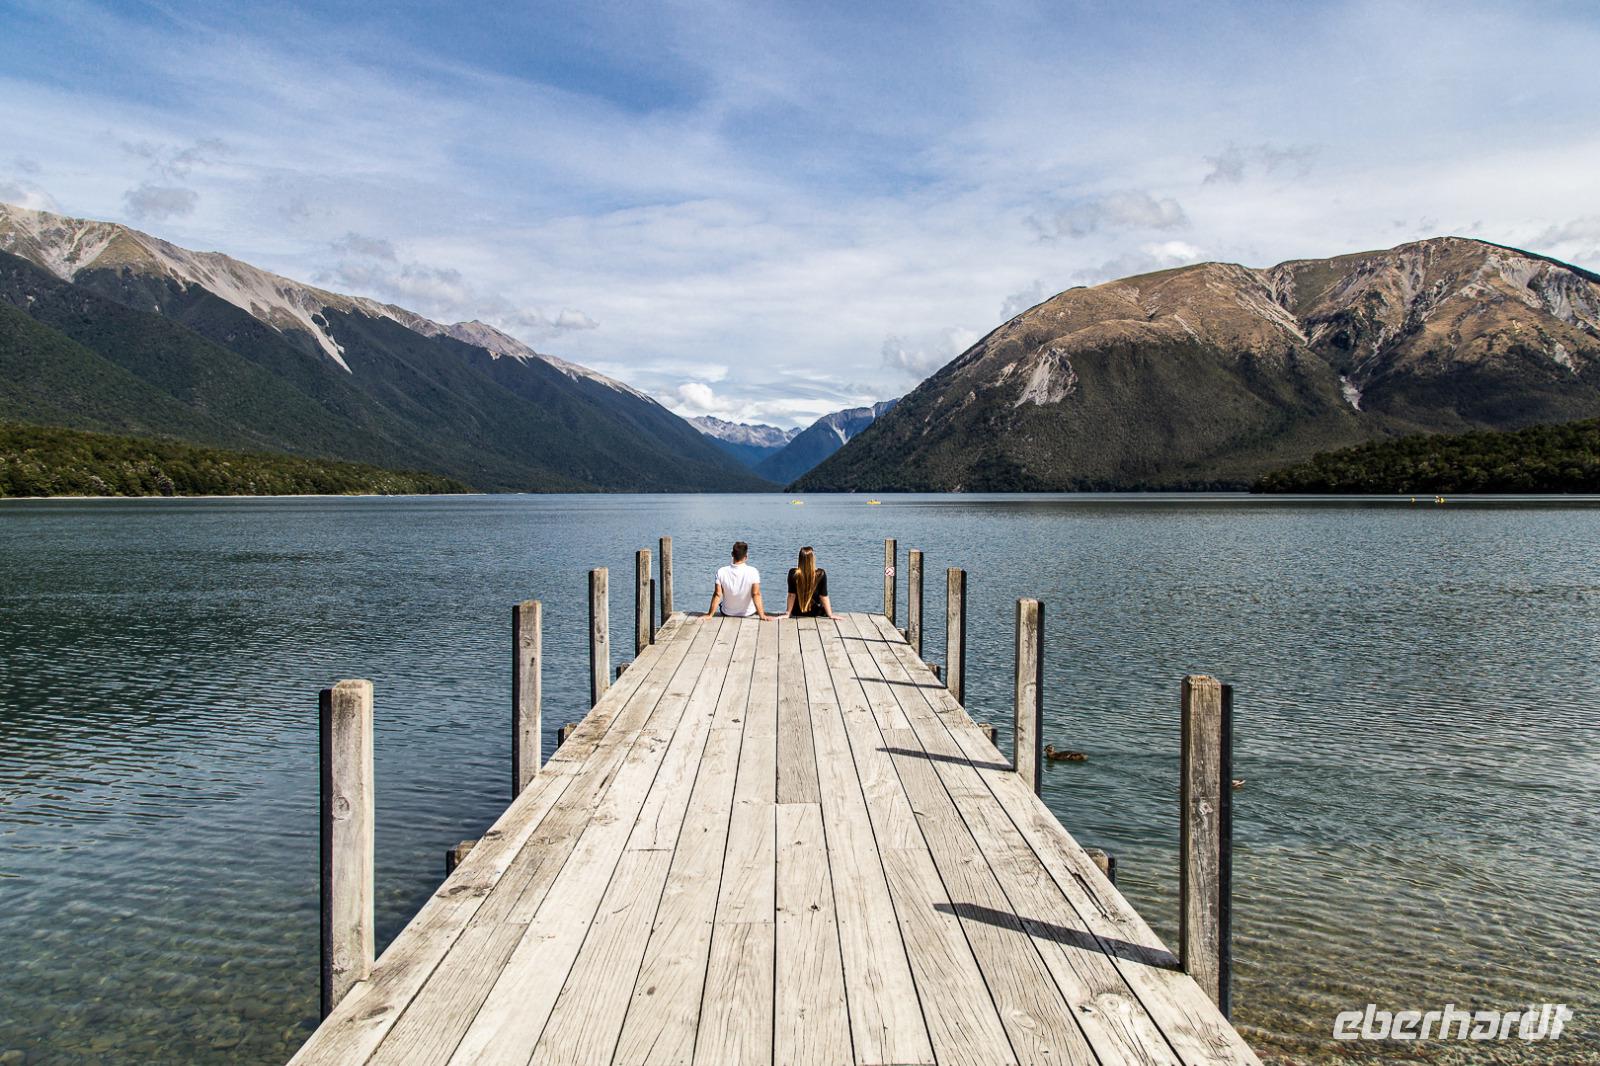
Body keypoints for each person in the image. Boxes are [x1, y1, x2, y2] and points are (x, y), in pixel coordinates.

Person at [708, 541, 772, 620]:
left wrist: (710, 615)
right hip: (748, 613)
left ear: (732, 554)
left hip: (727, 613)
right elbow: (756, 594)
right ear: (746, 556)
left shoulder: (721, 571)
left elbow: (717, 594)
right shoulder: (753, 571)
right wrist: (762, 615)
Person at [784, 545, 835, 619]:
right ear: (812, 559)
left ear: (800, 559)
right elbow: (823, 596)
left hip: (797, 611)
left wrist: (788, 613)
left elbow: (791, 595)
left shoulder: (793, 573)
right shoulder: (820, 574)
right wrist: (830, 614)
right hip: (815, 612)